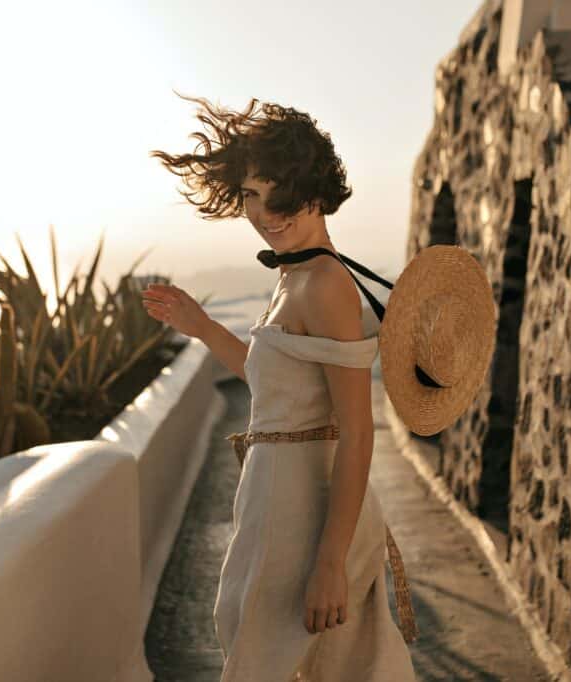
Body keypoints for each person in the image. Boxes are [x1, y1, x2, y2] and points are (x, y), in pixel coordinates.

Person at [145, 93, 418, 681]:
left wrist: (330, 562)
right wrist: (200, 325)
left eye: (279, 194)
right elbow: (273, 388)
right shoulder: (293, 276)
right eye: (251, 194)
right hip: (277, 500)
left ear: (315, 190)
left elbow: (358, 432)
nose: (265, 211)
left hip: (304, 513)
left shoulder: (322, 284)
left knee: (271, 663)